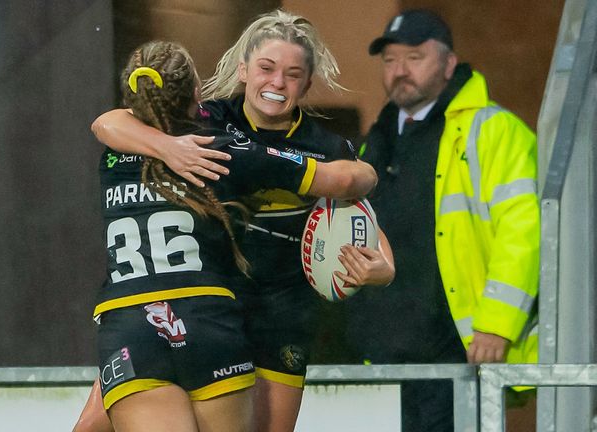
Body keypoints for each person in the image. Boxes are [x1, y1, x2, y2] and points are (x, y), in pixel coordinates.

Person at [75, 10, 396, 432]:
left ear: (308, 82)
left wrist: (384, 270)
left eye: (293, 74)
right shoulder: (206, 120)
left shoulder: (325, 145)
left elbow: (363, 215)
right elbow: (108, 122)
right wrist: (169, 147)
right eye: (267, 68)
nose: (277, 83)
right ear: (243, 69)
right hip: (200, 298)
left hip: (278, 312)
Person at [340, 9, 539, 432]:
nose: (399, 71)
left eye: (414, 57)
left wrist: (496, 325)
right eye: (390, 61)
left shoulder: (494, 131)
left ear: (449, 64)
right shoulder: (373, 143)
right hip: (376, 359)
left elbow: (522, 233)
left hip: (458, 355)